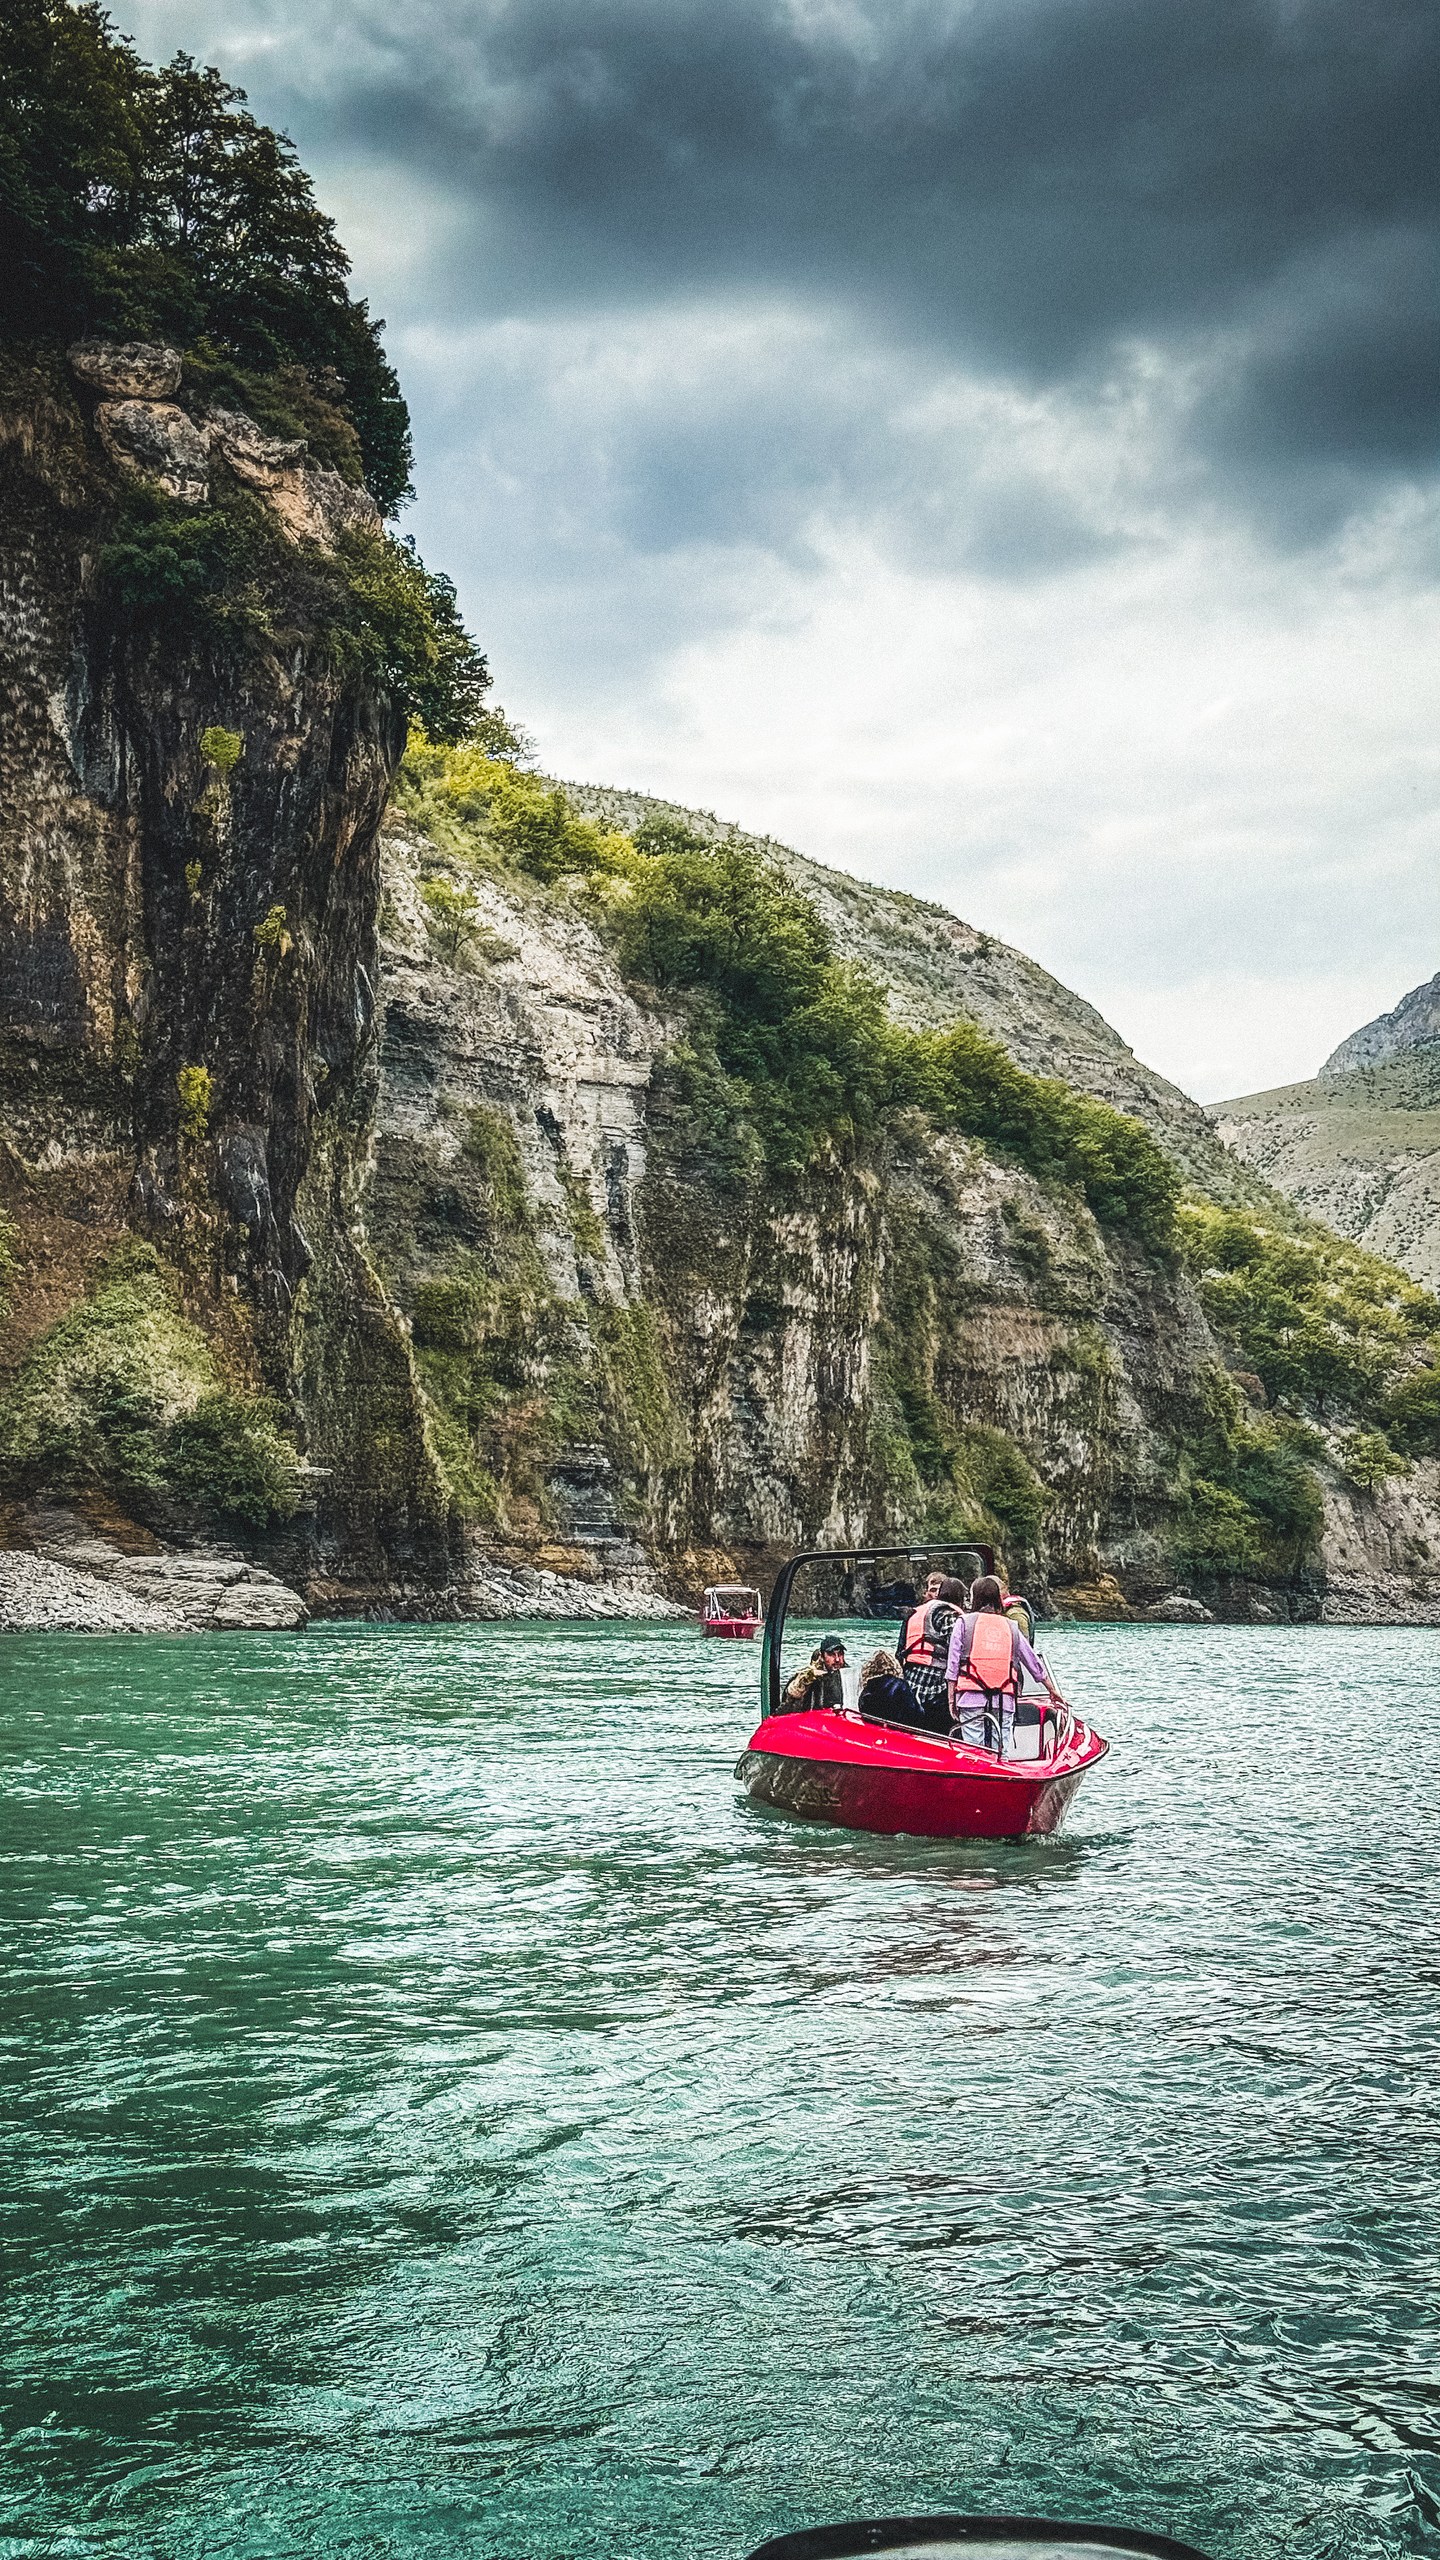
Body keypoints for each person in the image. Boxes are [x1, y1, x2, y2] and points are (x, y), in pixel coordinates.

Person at [947, 1574, 1065, 1755]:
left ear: (975, 1598)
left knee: (972, 1751)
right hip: (1004, 1699)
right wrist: (1051, 1690)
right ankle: (1003, 1777)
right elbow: (1032, 1662)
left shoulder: (963, 1623)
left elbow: (953, 1664)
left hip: (970, 1696)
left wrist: (951, 1698)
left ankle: (977, 1777)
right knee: (1002, 1751)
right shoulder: (1012, 1626)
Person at [898, 1574, 967, 1731]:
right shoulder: (949, 1614)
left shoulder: (914, 1613)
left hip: (911, 1680)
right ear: (959, 1598)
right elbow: (958, 1649)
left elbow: (900, 1650)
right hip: (935, 1683)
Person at [856, 1647, 925, 1729]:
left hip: (876, 1731)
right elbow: (916, 1716)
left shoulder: (867, 1690)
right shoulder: (901, 1686)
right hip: (898, 1732)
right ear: (894, 1667)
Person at [781, 1632, 847, 1713]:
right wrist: (806, 1680)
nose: (837, 1659)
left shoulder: (848, 1676)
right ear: (822, 1656)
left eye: (840, 1654)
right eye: (831, 1654)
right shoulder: (807, 1677)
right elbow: (791, 1697)